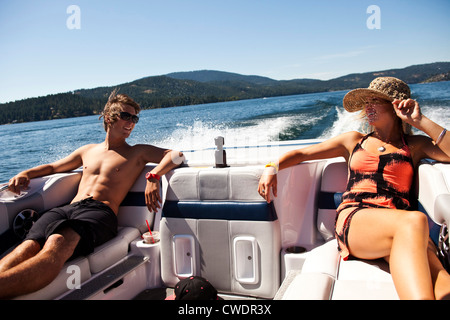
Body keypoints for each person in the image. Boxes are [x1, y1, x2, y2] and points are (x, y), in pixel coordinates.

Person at [258, 77, 450, 300]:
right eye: (366, 102)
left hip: (399, 226)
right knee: (416, 221)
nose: (368, 107)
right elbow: (303, 153)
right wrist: (272, 166)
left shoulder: (415, 145)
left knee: (442, 279)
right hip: (357, 219)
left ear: (396, 106)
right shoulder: (353, 141)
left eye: (375, 101)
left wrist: (420, 120)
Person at [0, 90, 184, 299]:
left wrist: (153, 176)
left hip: (99, 212)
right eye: (126, 116)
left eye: (135, 118)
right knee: (25, 247)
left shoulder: (137, 152)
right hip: (67, 208)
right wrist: (26, 173)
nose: (131, 122)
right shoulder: (87, 150)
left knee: (56, 245)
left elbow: (176, 155)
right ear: (108, 117)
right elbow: (53, 168)